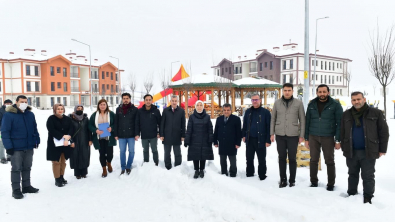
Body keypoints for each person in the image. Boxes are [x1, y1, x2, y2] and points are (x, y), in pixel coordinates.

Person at [340, 91, 389, 204]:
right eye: (354, 100)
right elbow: (342, 132)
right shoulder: (346, 114)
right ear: (351, 101)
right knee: (352, 174)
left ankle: (368, 197)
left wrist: (382, 149)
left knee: (368, 176)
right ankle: (351, 193)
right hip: (352, 151)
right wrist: (344, 146)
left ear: (364, 99)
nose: (356, 102)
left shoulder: (375, 113)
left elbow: (384, 132)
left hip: (369, 150)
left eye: (358, 99)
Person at [305, 84, 343, 191]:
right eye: (320, 92)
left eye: (324, 92)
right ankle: (313, 182)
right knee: (313, 160)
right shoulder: (312, 104)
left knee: (329, 161)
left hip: (328, 137)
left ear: (328, 92)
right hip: (313, 136)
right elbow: (307, 121)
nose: (322, 94)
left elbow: (340, 123)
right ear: (317, 93)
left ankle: (331, 184)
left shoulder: (335, 104)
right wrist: (306, 138)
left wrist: (338, 140)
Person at [1, 95, 40, 199]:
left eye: (25, 102)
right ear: (16, 102)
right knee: (16, 169)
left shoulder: (30, 114)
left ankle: (26, 186)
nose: (24, 104)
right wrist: (8, 146)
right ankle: (16, 190)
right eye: (21, 101)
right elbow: (5, 132)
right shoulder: (9, 115)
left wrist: (37, 140)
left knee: (27, 167)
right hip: (16, 148)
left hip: (28, 146)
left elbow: (34, 128)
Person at [270, 83, 305, 188]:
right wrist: (272, 133)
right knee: (281, 157)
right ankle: (283, 179)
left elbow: (302, 120)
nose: (287, 92)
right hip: (280, 134)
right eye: (285, 90)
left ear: (292, 91)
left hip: (293, 134)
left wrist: (301, 135)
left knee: (293, 158)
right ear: (282, 91)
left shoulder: (298, 103)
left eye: (289, 90)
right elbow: (273, 119)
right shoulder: (277, 103)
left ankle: (292, 180)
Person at [242, 94, 271, 180]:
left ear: (260, 100)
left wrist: (268, 140)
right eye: (253, 100)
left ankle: (262, 175)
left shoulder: (265, 112)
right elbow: (245, 124)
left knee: (261, 159)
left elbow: (269, 126)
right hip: (250, 139)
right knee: (249, 158)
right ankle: (250, 173)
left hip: (261, 139)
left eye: (256, 100)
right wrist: (244, 135)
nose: (254, 101)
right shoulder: (248, 112)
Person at [47, 104, 74, 187]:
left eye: (61, 109)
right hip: (55, 144)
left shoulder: (68, 119)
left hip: (65, 144)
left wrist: (68, 137)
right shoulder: (51, 119)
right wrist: (62, 136)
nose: (60, 110)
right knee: (56, 162)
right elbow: (51, 129)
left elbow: (72, 129)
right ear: (55, 110)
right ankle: (57, 179)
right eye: (58, 109)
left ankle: (61, 176)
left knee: (63, 161)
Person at [184, 100, 214, 178]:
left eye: (201, 105)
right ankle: (196, 170)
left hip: (204, 140)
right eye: (198, 105)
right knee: (195, 155)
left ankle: (202, 170)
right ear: (195, 106)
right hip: (194, 140)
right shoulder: (192, 117)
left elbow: (210, 129)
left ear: (203, 107)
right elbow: (189, 129)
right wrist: (187, 140)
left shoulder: (207, 117)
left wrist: (211, 138)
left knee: (203, 156)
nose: (199, 107)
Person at [89, 99, 116, 178]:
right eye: (101, 105)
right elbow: (90, 125)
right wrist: (96, 130)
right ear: (98, 106)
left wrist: (112, 128)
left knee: (110, 153)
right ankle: (104, 168)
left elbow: (116, 123)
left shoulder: (111, 114)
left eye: (104, 104)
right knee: (102, 153)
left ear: (106, 105)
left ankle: (109, 163)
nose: (102, 106)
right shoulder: (94, 115)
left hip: (109, 137)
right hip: (99, 138)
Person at [213, 103, 242, 177]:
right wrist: (215, 141)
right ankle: (224, 172)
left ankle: (233, 173)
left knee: (232, 160)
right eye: (224, 110)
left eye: (228, 110)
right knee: (222, 160)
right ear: (222, 110)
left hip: (232, 143)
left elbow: (239, 132)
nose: (226, 111)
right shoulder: (219, 119)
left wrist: (238, 143)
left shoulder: (236, 119)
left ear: (231, 110)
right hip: (222, 142)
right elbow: (216, 131)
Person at [114, 93, 138, 175]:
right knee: (122, 151)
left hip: (131, 135)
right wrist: (116, 134)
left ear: (130, 99)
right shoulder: (118, 109)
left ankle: (128, 166)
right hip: (121, 135)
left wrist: (137, 134)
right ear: (122, 99)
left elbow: (136, 123)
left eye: (127, 98)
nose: (125, 100)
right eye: (124, 98)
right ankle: (123, 167)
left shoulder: (134, 109)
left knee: (131, 151)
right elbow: (116, 122)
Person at [160, 95, 186, 170]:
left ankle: (178, 166)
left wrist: (183, 135)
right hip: (167, 135)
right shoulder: (166, 111)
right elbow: (162, 123)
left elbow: (183, 124)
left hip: (177, 135)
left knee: (177, 153)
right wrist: (161, 134)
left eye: (175, 101)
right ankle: (168, 166)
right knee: (167, 153)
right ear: (170, 101)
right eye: (173, 101)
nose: (174, 102)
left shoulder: (181, 111)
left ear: (177, 102)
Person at [135, 94, 161, 166]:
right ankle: (146, 163)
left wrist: (159, 133)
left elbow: (160, 123)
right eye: (146, 100)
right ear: (144, 101)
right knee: (145, 150)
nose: (148, 101)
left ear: (152, 101)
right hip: (144, 135)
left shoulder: (156, 111)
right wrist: (137, 133)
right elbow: (137, 123)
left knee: (154, 150)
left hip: (153, 135)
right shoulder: (140, 111)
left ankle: (156, 163)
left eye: (149, 100)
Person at [69, 105, 93, 179]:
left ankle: (84, 172)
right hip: (75, 140)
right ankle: (77, 173)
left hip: (84, 140)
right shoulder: (71, 119)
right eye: (78, 108)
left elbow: (89, 130)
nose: (79, 110)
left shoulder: (85, 119)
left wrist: (90, 139)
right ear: (75, 109)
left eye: (81, 109)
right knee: (75, 156)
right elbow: (69, 131)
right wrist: (71, 141)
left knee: (84, 155)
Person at [0, 99, 13, 164]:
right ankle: (2, 158)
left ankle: (9, 156)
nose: (8, 105)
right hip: (2, 130)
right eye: (7, 103)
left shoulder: (13, 111)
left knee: (10, 143)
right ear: (4, 104)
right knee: (2, 144)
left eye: (10, 104)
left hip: (11, 130)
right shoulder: (1, 111)